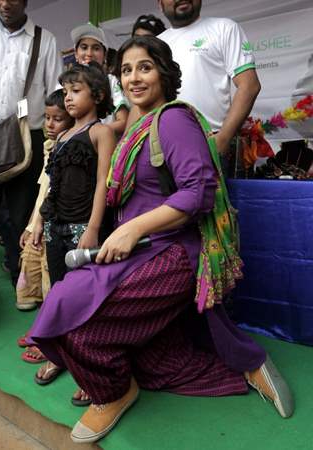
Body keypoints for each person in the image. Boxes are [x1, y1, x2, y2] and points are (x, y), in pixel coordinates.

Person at [28, 36, 294, 445]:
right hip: (136, 252)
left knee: (76, 318)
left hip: (170, 253)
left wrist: (134, 228)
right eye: (128, 69)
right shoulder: (133, 124)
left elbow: (197, 192)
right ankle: (116, 380)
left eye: (145, 67)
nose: (134, 77)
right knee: (112, 335)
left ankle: (113, 392)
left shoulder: (173, 120)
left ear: (164, 74)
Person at [32, 63, 115, 406]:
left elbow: (103, 183)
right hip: (55, 224)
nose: (68, 98)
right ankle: (59, 353)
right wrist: (38, 221)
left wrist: (94, 228)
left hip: (84, 227)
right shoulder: (61, 137)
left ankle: (87, 364)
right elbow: (50, 185)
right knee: (59, 290)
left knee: (85, 296)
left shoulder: (101, 132)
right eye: (65, 92)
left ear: (97, 95)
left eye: (75, 91)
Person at [0, 0, 63, 286]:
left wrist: (56, 134)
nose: (5, 4)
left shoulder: (44, 40)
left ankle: (20, 274)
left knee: (19, 212)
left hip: (27, 137)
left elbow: (56, 90)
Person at [157, 0, 261, 157]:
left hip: (208, 142)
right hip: (161, 145)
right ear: (160, 3)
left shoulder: (224, 28)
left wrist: (223, 138)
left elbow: (249, 86)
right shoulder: (156, 44)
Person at [16, 89, 74, 364]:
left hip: (58, 224)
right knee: (36, 272)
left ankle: (51, 339)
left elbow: (56, 193)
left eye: (57, 119)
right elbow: (43, 188)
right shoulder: (50, 146)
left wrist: (41, 222)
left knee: (54, 280)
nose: (49, 125)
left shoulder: (72, 147)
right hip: (42, 220)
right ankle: (43, 327)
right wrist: (31, 223)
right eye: (47, 118)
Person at [71, 23, 129, 137]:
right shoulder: (64, 84)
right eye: (84, 47)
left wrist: (90, 135)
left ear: (105, 55)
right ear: (76, 54)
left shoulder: (111, 82)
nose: (89, 53)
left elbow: (123, 122)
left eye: (96, 48)